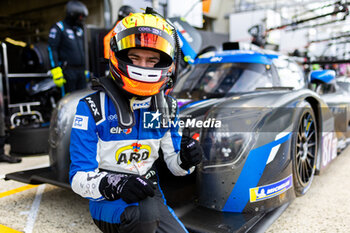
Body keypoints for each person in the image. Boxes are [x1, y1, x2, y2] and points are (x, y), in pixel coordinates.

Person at [69, 9, 203, 233]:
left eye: (152, 60)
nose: (144, 66)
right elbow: (78, 178)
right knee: (144, 214)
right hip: (107, 200)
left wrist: (187, 160)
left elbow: (175, 166)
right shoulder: (92, 107)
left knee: (154, 214)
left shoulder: (168, 106)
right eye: (135, 58)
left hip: (150, 192)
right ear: (118, 55)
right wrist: (116, 183)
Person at [47, 0, 89, 94]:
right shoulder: (59, 27)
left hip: (81, 72)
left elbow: (83, 51)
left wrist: (85, 69)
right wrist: (55, 69)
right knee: (68, 101)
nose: (82, 19)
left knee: (82, 98)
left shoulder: (79, 30)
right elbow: (51, 48)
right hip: (68, 72)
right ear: (72, 14)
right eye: (81, 16)